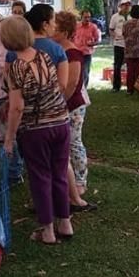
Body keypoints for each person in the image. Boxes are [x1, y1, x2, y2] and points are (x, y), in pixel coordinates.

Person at [1, 15, 73, 245]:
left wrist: (9, 138)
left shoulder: (15, 67)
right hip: (61, 122)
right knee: (59, 173)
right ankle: (65, 222)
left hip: (36, 128)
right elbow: (58, 86)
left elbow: (17, 107)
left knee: (40, 177)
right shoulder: (45, 56)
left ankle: (48, 229)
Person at [53, 11, 96, 212]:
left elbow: (72, 85)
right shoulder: (58, 50)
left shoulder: (72, 53)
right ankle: (69, 181)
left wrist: (61, 105)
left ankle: (80, 181)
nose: (51, 30)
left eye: (55, 27)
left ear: (65, 31)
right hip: (63, 105)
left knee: (74, 142)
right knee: (67, 143)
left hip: (73, 105)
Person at [74, 9, 101, 89]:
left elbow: (98, 40)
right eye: (85, 17)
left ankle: (84, 90)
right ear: (81, 17)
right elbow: (71, 37)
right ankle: (77, 89)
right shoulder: (76, 26)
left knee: (85, 73)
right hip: (77, 52)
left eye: (89, 17)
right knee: (77, 72)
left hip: (87, 53)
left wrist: (93, 43)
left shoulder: (93, 27)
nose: (87, 19)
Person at [109, 0, 131, 91]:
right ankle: (116, 86)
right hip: (119, 44)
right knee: (117, 65)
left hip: (130, 44)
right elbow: (111, 29)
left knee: (130, 65)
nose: (127, 7)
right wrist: (115, 37)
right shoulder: (115, 17)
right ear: (120, 6)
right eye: (125, 5)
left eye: (128, 5)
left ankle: (130, 85)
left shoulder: (132, 16)